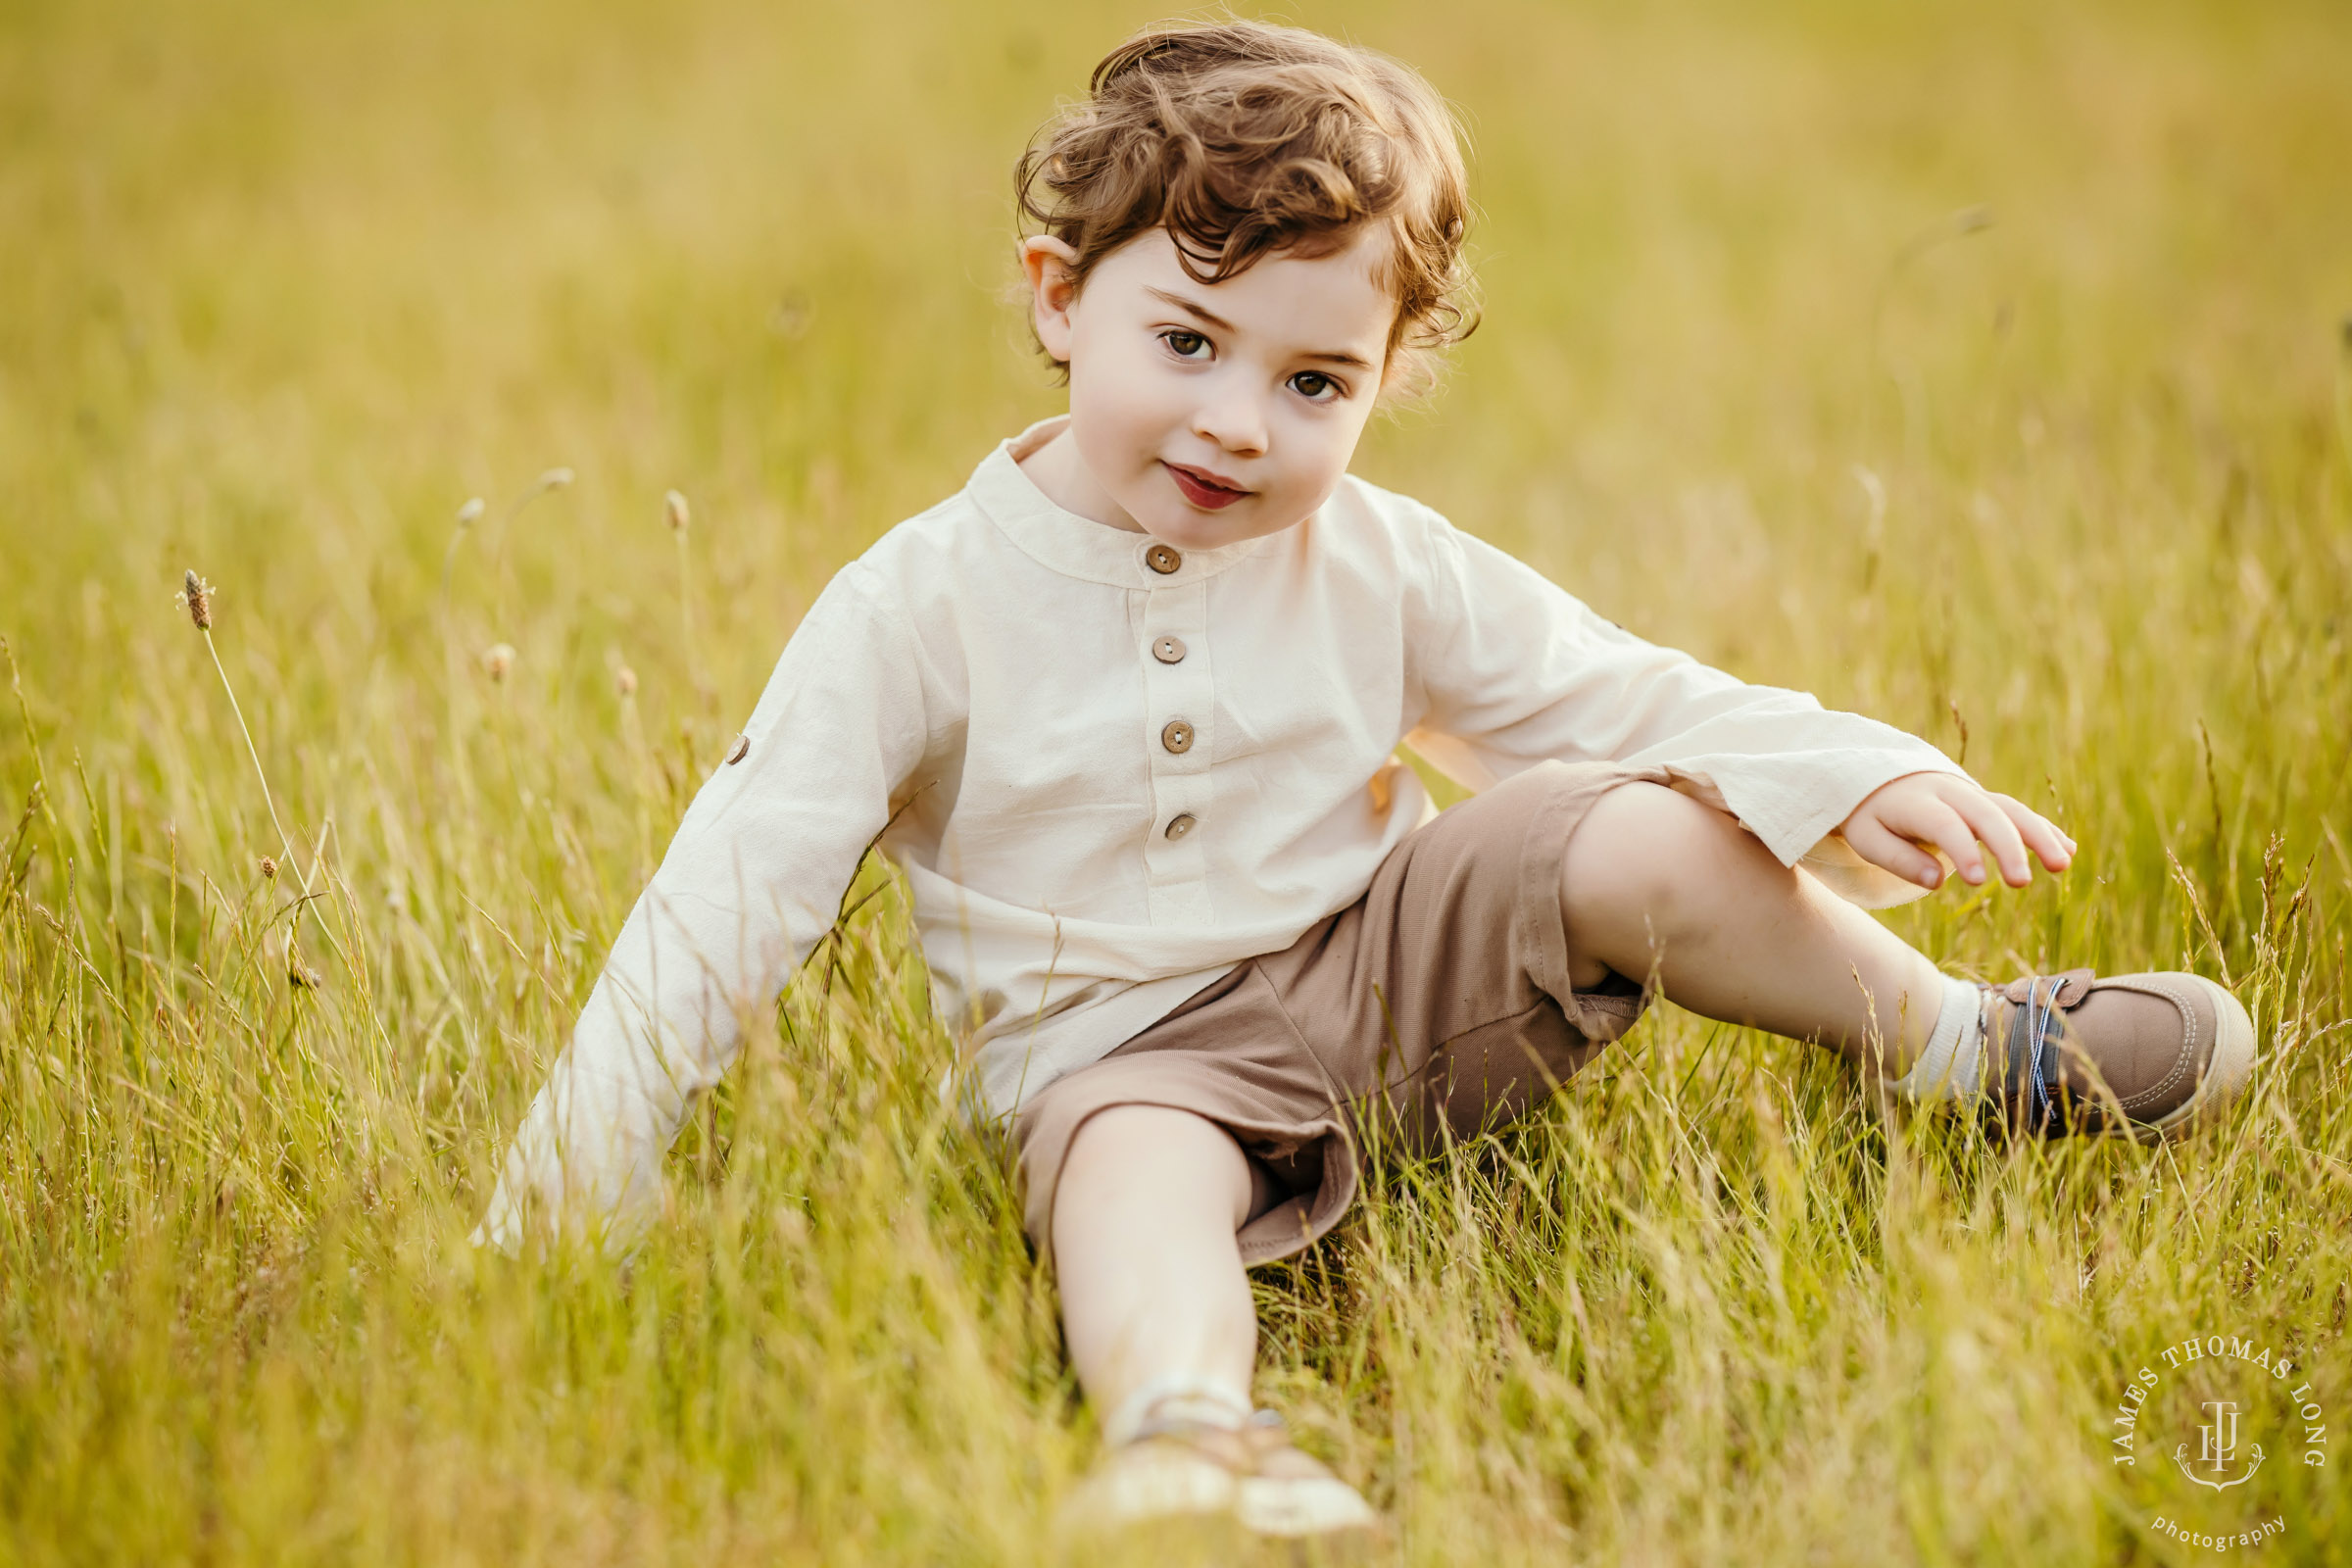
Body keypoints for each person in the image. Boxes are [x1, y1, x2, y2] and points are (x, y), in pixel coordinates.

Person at [471, 18, 2256, 1543]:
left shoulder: (1378, 558)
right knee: (1130, 1169)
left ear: (1390, 376)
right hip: (1116, 1056)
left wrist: (1848, 772)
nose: (1240, 423)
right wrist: (575, 1183)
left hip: (1391, 976)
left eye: (1313, 378)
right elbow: (742, 878)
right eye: (1186, 343)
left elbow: (1603, 691)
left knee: (1626, 821)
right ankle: (1186, 1433)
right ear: (1058, 299)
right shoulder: (919, 604)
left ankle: (1964, 1050)